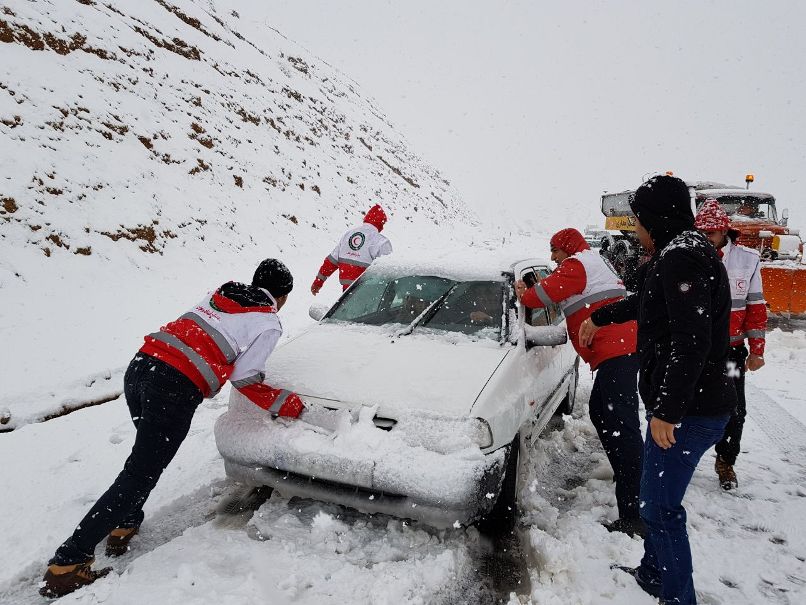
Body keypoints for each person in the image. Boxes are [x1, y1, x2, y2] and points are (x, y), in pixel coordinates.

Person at [40, 259, 304, 598]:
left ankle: (125, 523)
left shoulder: (221, 295)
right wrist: (286, 404)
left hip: (141, 367)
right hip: (173, 386)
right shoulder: (268, 321)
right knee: (142, 471)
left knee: (144, 459)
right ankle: (68, 562)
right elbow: (245, 376)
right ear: (282, 297)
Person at [579, 175, 737, 605]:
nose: (636, 230)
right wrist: (603, 316)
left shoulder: (681, 258)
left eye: (639, 221)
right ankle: (652, 573)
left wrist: (667, 410)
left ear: (656, 219)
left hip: (690, 412)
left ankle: (677, 597)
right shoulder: (678, 253)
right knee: (654, 499)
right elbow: (648, 301)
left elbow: (692, 340)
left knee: (660, 508)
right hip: (686, 405)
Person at [514, 228, 643, 536]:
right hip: (621, 348)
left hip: (617, 350)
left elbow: (540, 297)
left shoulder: (577, 264)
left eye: (554, 250)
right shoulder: (593, 262)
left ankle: (634, 508)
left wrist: (524, 292)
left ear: (567, 247)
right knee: (602, 412)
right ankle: (631, 474)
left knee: (621, 425)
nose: (552, 257)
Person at [695, 199, 767, 490]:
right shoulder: (689, 258)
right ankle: (677, 460)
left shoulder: (747, 260)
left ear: (725, 230)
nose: (705, 240)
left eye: (710, 234)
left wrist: (757, 350)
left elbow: (756, 306)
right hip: (696, 351)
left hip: (730, 355)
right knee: (682, 404)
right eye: (701, 233)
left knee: (734, 408)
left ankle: (726, 460)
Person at [311, 204, 392, 293]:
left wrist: (318, 282)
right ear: (381, 223)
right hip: (370, 294)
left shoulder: (348, 235)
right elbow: (390, 271)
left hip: (347, 296)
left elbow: (331, 261)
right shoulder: (381, 242)